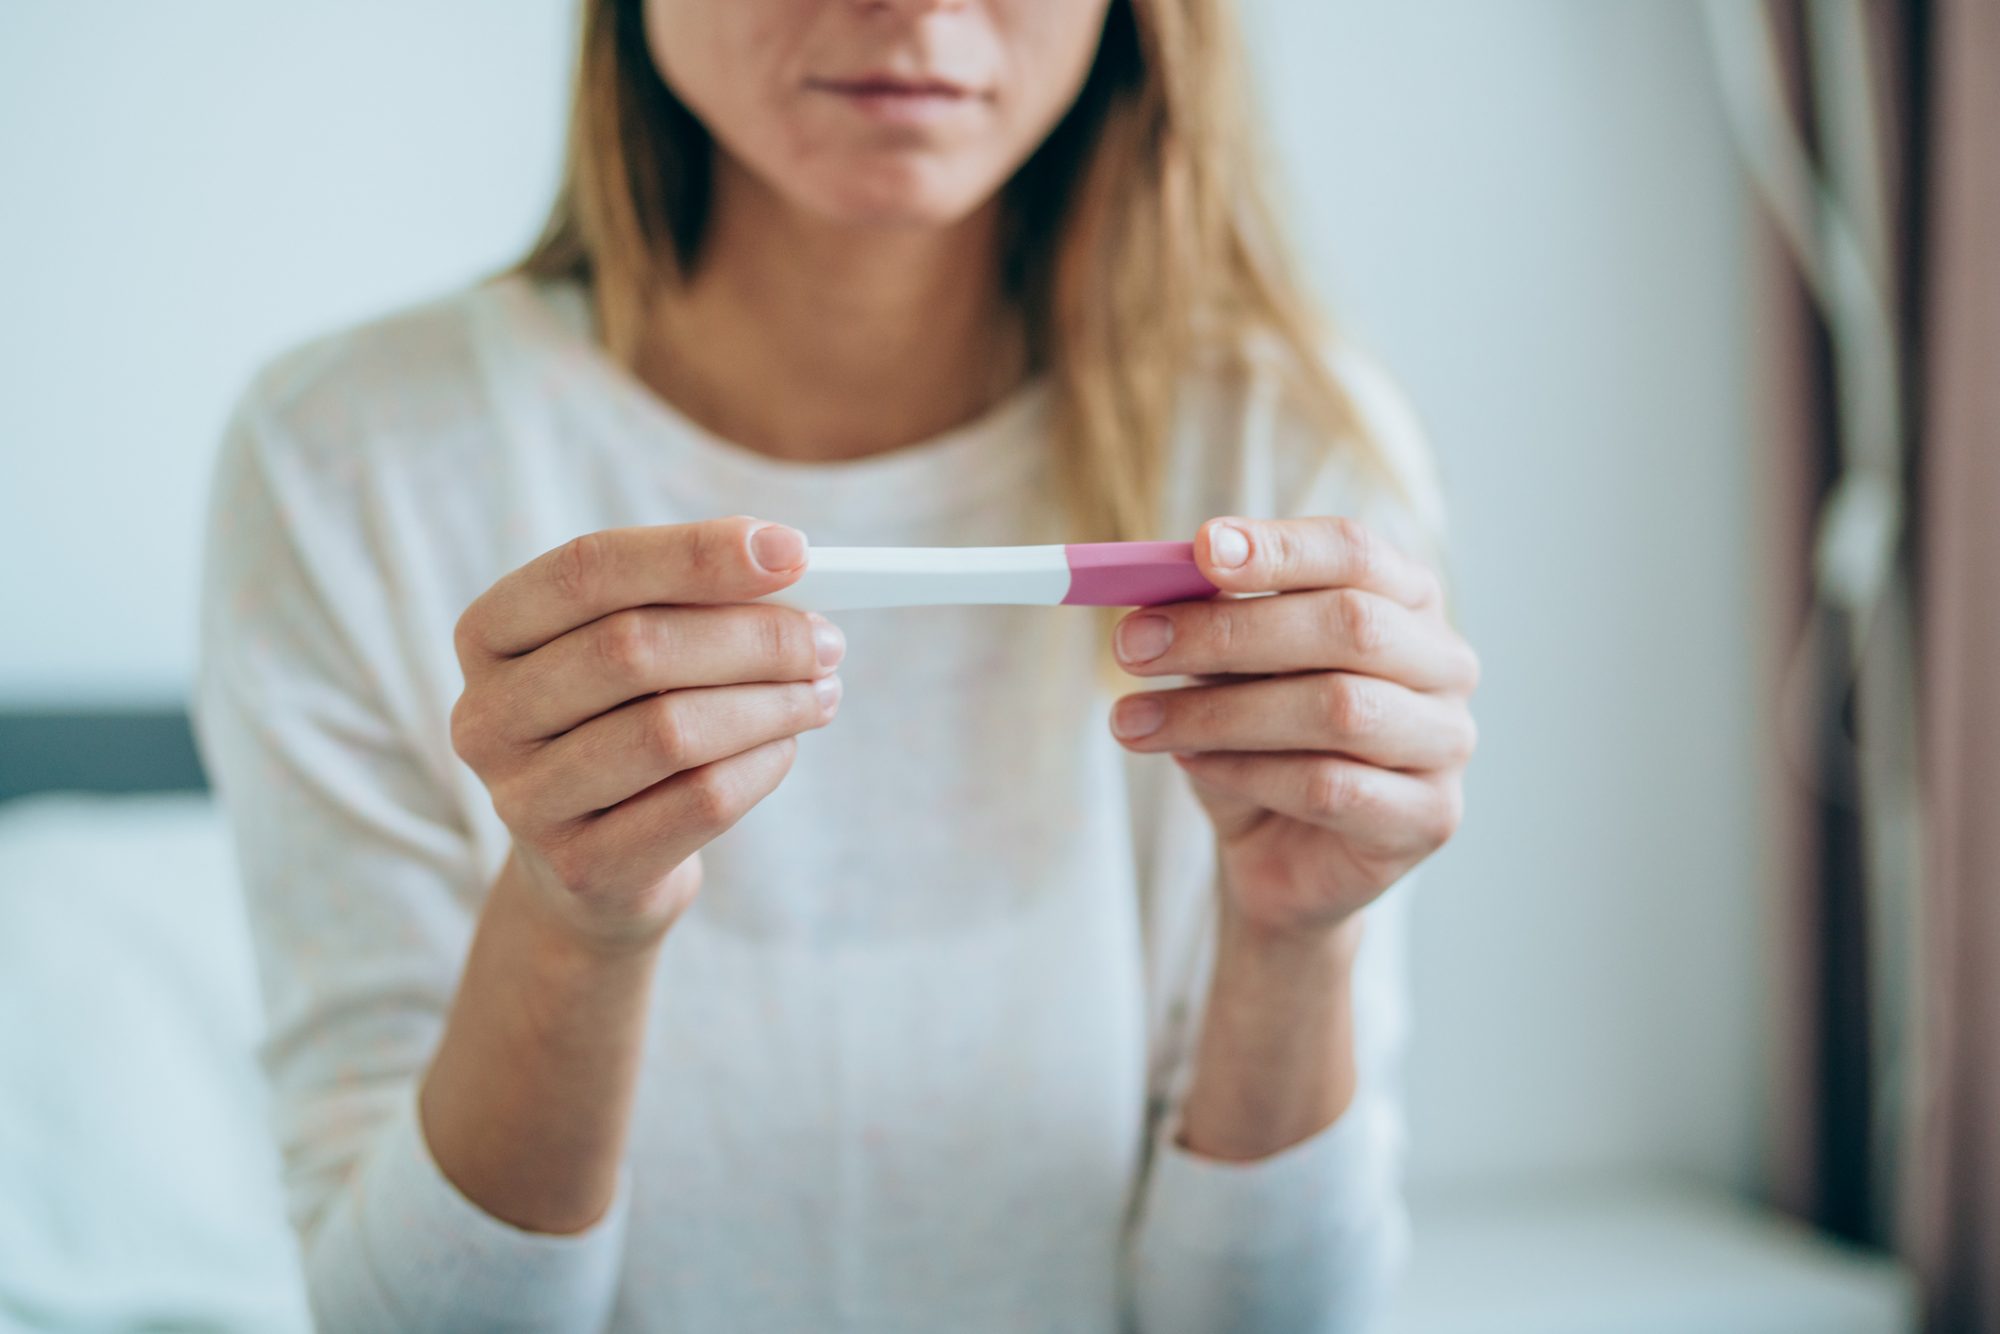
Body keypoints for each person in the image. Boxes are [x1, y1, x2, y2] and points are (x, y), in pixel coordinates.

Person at [192, 1, 1480, 1330]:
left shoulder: (1290, 456)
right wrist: (568, 924)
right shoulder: (343, 466)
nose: (915, 10)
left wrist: (1295, 939)